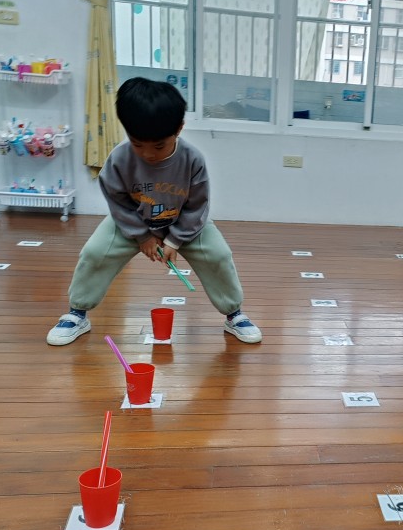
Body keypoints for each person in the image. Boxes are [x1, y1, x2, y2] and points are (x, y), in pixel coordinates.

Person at [47, 77, 262, 346]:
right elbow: (117, 202)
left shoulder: (192, 159)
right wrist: (142, 236)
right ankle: (77, 313)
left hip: (184, 222)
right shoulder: (119, 159)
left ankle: (234, 315)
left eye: (159, 146)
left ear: (179, 129)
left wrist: (174, 240)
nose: (148, 154)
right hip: (132, 222)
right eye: (137, 144)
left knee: (218, 255)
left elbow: (197, 205)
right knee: (94, 253)